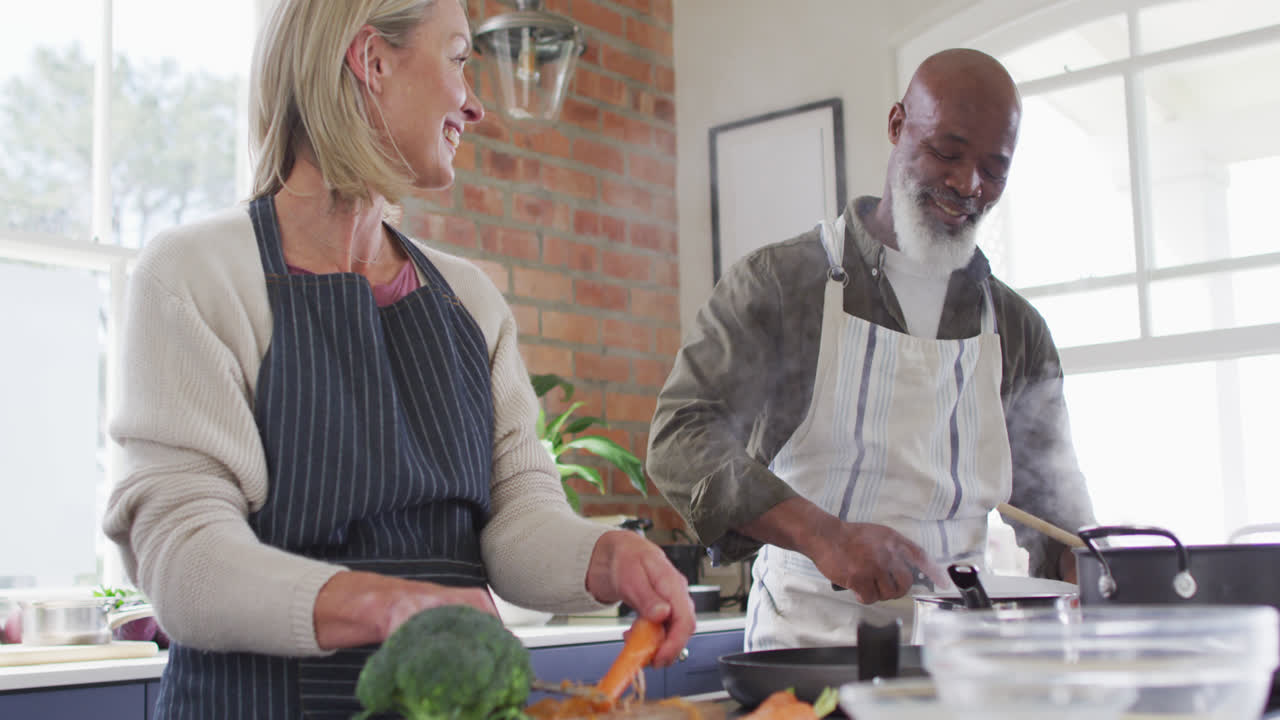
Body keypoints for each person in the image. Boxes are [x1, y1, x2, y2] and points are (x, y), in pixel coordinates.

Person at [102, 1, 694, 716]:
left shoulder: (470, 301)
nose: (474, 105)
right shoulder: (197, 274)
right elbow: (185, 560)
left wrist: (607, 558)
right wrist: (390, 606)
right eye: (457, 60)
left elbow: (519, 520)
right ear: (372, 62)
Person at [646, 48, 1095, 650]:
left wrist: (1091, 575)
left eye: (995, 169)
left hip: (962, 663)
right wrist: (825, 536)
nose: (969, 186)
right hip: (807, 652)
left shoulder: (1015, 328)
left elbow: (1058, 517)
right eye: (947, 153)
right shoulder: (783, 286)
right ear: (895, 125)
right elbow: (681, 439)